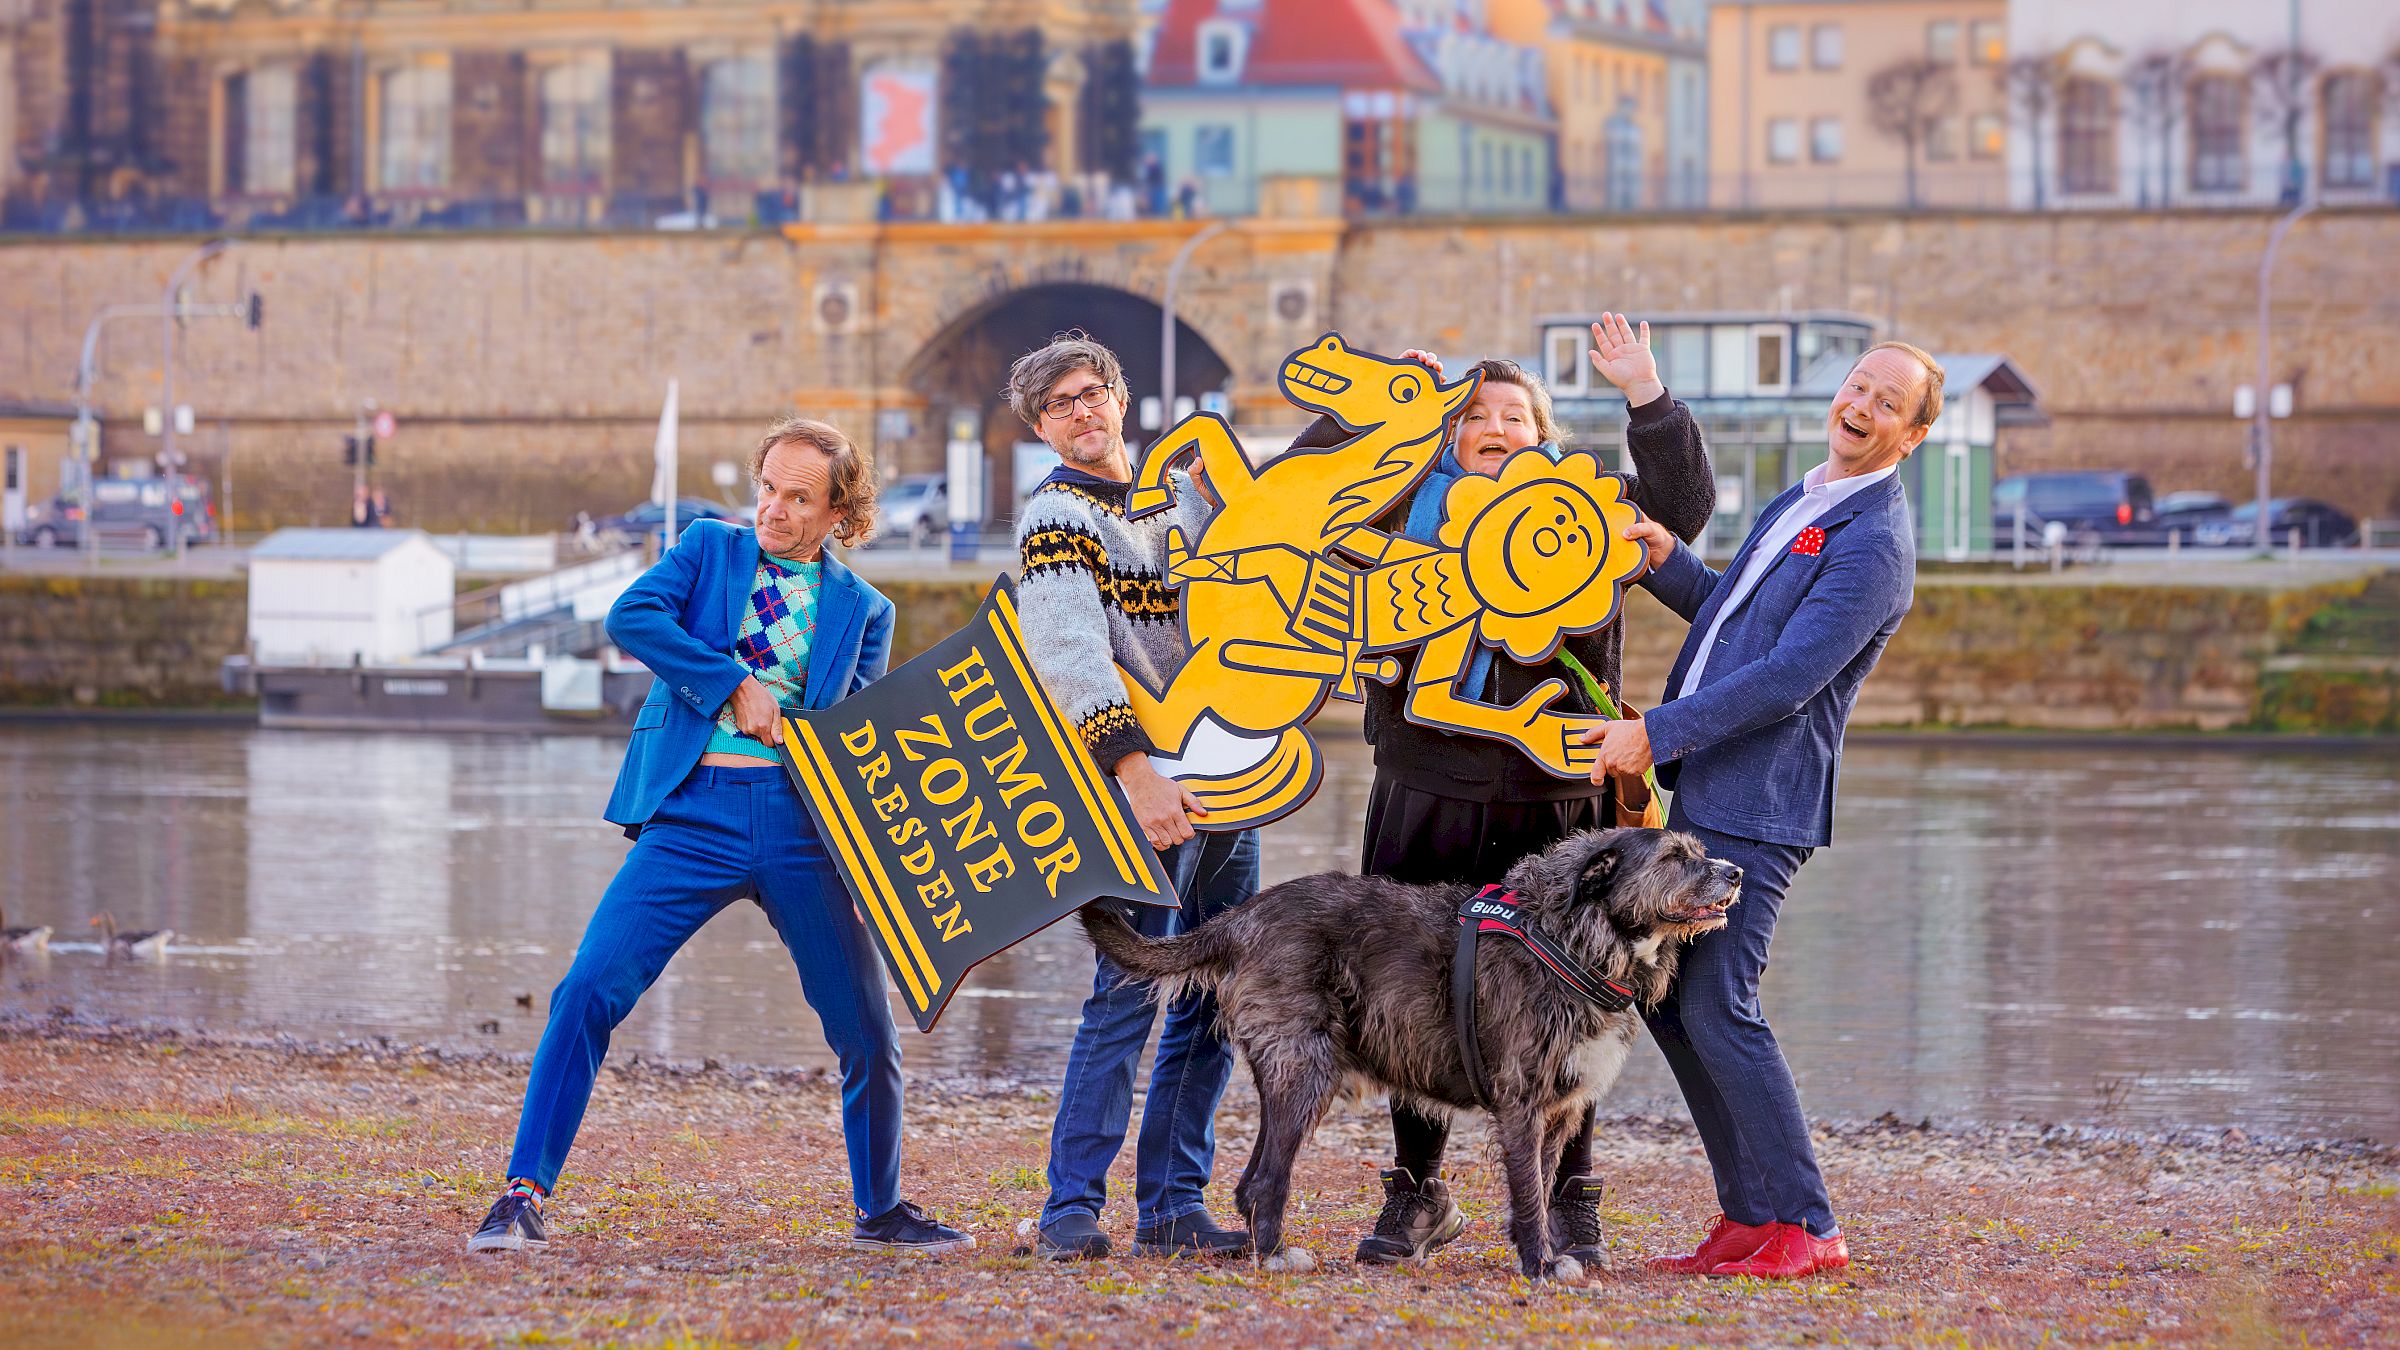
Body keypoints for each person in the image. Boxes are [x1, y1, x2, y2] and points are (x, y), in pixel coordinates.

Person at [467, 416, 972, 1258]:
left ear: (838, 513)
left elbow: (858, 742)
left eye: (798, 497)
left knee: (868, 1032)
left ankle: (879, 1212)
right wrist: (732, 682)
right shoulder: (708, 548)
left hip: (804, 833)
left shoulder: (865, 610)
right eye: (768, 487)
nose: (773, 509)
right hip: (691, 813)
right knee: (587, 990)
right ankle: (521, 1196)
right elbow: (632, 618)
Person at [1311, 317, 1714, 1270]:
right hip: (1423, 785)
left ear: (1543, 435)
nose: (1495, 426)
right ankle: (1418, 1193)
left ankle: (1573, 1197)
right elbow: (1305, 502)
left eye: (1516, 415)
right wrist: (1373, 402)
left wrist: (1645, 392)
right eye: (1475, 416)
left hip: (1555, 798)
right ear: (1449, 436)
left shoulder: (1593, 506)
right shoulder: (1398, 502)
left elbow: (1686, 507)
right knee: (1409, 993)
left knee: (1577, 991)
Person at [1589, 341, 1943, 1280]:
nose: (1862, 404)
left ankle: (1807, 1223)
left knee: (1722, 1006)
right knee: (1675, 1010)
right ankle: (1751, 1215)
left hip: (1761, 806)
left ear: (1910, 437)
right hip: (1708, 794)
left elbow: (1788, 680)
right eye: (1858, 385)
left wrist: (1651, 734)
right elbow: (1730, 620)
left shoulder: (1876, 543)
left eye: (1887, 401)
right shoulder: (1806, 497)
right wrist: (1669, 561)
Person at [1010, 332, 1259, 1262]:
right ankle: (1069, 1207)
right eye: (1060, 404)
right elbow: (1070, 651)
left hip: (1231, 775)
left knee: (1216, 995)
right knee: (1126, 990)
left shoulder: (1185, 498)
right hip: (1142, 785)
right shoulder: (1056, 519)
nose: (1082, 411)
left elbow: (1285, 527)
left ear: (1120, 399)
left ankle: (1172, 1205)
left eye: (1092, 392)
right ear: (1042, 427)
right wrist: (1134, 771)